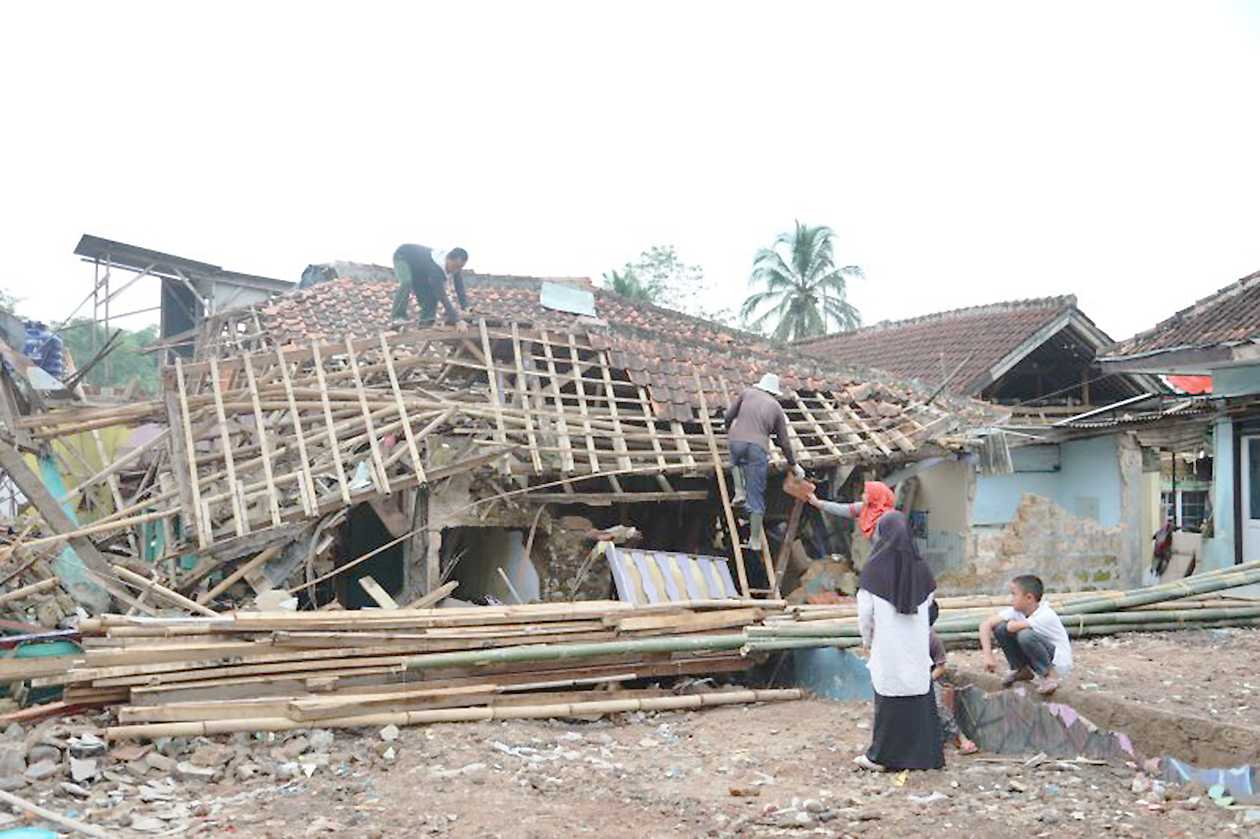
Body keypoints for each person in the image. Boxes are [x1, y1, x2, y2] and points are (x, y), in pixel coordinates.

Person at [853, 509, 943, 772]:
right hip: (915, 647)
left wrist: (867, 641)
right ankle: (925, 757)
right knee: (918, 700)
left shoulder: (872, 572)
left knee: (889, 701)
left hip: (887, 647)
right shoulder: (923, 570)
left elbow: (866, 616)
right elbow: (930, 608)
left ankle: (880, 757)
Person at [724, 373, 804, 550]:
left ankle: (738, 492)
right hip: (758, 448)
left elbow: (729, 416)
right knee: (756, 497)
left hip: (737, 441)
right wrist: (793, 463)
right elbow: (783, 441)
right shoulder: (776, 407)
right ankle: (754, 540)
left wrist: (728, 429)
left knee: (735, 462)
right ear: (774, 392)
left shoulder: (746, 393)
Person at [979, 574, 1072, 696]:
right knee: (1000, 628)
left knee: (1025, 635)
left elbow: (1012, 627)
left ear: (1029, 598)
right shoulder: (1017, 611)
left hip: (1057, 663)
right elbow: (985, 625)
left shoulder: (1046, 614)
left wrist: (1010, 625)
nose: (1010, 599)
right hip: (1038, 657)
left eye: (1014, 594)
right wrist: (988, 655)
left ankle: (1051, 676)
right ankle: (1022, 670)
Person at [391, 244, 470, 330]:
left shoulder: (456, 266)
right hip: (403, 256)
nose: (456, 270)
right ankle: (397, 318)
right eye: (455, 266)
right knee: (406, 282)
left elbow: (459, 287)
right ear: (448, 259)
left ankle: (426, 321)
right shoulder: (435, 269)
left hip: (420, 270)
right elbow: (442, 295)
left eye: (460, 267)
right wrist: (456, 320)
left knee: (431, 296)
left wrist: (466, 307)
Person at [930, 630, 978, 756]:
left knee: (938, 705)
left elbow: (941, 667)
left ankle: (960, 738)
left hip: (929, 678)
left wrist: (926, 681)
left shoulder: (931, 638)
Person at [808, 480, 896, 544]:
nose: (863, 495)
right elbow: (843, 509)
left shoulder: (887, 519)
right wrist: (818, 503)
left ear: (876, 496)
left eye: (867, 493)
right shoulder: (867, 508)